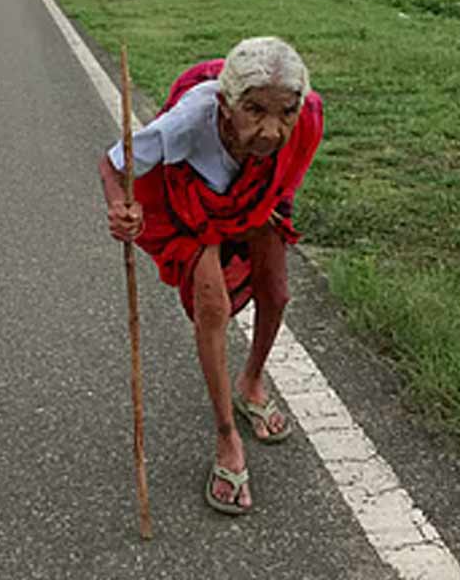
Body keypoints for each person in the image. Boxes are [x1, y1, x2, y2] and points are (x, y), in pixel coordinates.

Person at [98, 37, 324, 516]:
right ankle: (226, 437)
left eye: (284, 113)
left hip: (253, 195)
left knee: (277, 292)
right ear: (225, 105)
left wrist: (271, 209)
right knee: (212, 306)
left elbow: (285, 173)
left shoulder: (305, 118)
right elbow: (113, 165)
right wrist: (120, 207)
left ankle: (251, 382)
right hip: (193, 201)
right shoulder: (190, 121)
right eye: (254, 110)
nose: (271, 131)